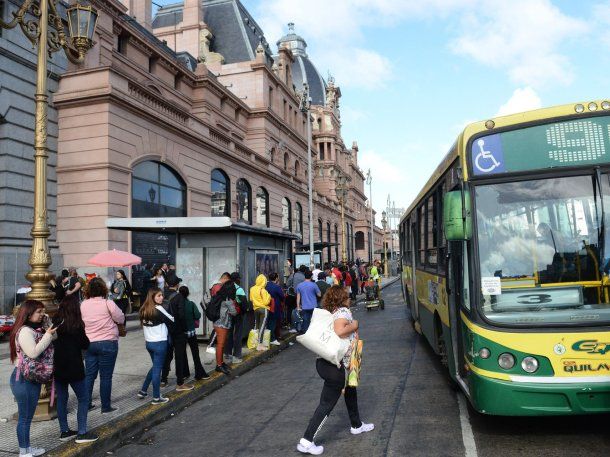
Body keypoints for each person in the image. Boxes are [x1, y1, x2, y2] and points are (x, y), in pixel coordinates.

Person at [297, 286, 374, 455]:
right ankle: (306, 441)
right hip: (334, 366)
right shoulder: (343, 313)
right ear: (342, 298)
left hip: (329, 363)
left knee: (350, 390)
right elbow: (340, 331)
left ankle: (356, 425)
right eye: (347, 295)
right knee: (326, 404)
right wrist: (355, 325)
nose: (350, 297)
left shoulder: (332, 312)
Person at [9, 300, 57, 457]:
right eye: (39, 312)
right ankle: (23, 452)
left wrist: (48, 324)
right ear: (28, 313)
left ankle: (27, 448)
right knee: (24, 417)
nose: (42, 314)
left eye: (43, 311)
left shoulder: (36, 329)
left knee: (28, 416)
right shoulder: (25, 332)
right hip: (23, 379)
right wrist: (47, 335)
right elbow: (33, 352)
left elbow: (54, 337)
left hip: (32, 377)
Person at [52, 294, 98, 444]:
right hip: (74, 368)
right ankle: (82, 432)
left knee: (62, 399)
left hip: (58, 367)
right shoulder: (76, 325)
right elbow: (85, 344)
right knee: (83, 399)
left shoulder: (55, 323)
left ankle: (64, 431)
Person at [80, 277, 124, 413]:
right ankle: (105, 406)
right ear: (103, 289)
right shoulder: (108, 303)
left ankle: (86, 404)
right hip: (108, 343)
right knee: (106, 377)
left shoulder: (83, 304)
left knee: (89, 375)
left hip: (89, 343)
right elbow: (120, 318)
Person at [138, 288, 175, 404]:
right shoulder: (159, 309)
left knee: (155, 367)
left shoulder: (143, 309)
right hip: (160, 343)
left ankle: (143, 391)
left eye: (162, 295)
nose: (162, 298)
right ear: (152, 297)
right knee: (157, 370)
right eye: (158, 296)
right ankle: (156, 397)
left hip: (149, 343)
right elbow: (172, 320)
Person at [161, 273, 193, 391]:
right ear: (177, 284)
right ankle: (180, 383)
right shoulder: (179, 297)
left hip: (165, 330)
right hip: (178, 331)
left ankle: (163, 379)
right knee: (179, 356)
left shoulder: (161, 295)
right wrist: (184, 329)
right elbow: (181, 315)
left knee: (167, 356)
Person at [179, 286, 209, 380]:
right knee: (195, 353)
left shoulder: (177, 305)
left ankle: (185, 373)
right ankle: (199, 373)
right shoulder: (191, 304)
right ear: (188, 294)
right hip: (191, 332)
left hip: (181, 333)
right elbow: (197, 315)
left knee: (182, 353)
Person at [213, 280, 237, 375]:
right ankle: (219, 365)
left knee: (221, 344)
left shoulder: (220, 296)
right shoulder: (228, 301)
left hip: (217, 323)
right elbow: (234, 312)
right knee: (221, 345)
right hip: (222, 324)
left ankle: (221, 363)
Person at [224, 272, 248, 364]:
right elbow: (244, 304)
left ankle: (227, 354)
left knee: (229, 333)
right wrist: (244, 311)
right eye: (239, 278)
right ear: (236, 279)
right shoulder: (239, 289)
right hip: (238, 314)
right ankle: (237, 355)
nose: (240, 280)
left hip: (228, 313)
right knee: (238, 334)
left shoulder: (226, 287)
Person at [250, 274, 272, 351]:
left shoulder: (252, 289)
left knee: (257, 326)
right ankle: (260, 344)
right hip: (263, 309)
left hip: (255, 308)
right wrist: (269, 296)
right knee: (262, 326)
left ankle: (254, 342)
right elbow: (266, 302)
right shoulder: (263, 290)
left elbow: (251, 299)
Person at [265, 272, 285, 345]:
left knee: (268, 322)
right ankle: (272, 338)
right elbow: (282, 297)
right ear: (276, 278)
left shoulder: (265, 285)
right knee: (273, 323)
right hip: (275, 307)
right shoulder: (276, 287)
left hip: (266, 306)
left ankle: (268, 337)